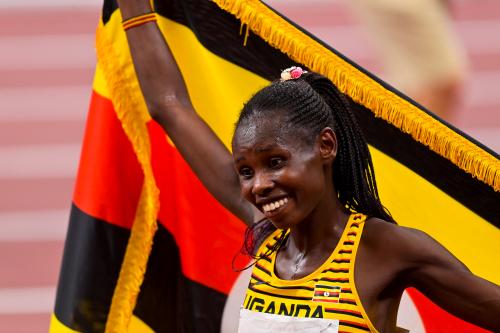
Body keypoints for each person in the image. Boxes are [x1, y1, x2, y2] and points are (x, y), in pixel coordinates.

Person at [117, 1, 500, 332]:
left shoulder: (385, 249)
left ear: (326, 146)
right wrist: (133, 9)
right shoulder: (267, 236)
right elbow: (170, 106)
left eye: (276, 162)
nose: (260, 185)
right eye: (246, 171)